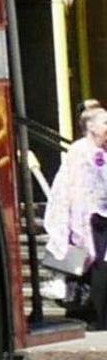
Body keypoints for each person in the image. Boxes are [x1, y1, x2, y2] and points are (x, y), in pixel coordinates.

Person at [50, 101, 107, 329]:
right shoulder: (80, 151)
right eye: (105, 123)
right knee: (95, 268)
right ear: (91, 127)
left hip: (100, 216)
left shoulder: (101, 150)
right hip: (87, 219)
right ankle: (96, 318)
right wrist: (78, 226)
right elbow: (76, 190)